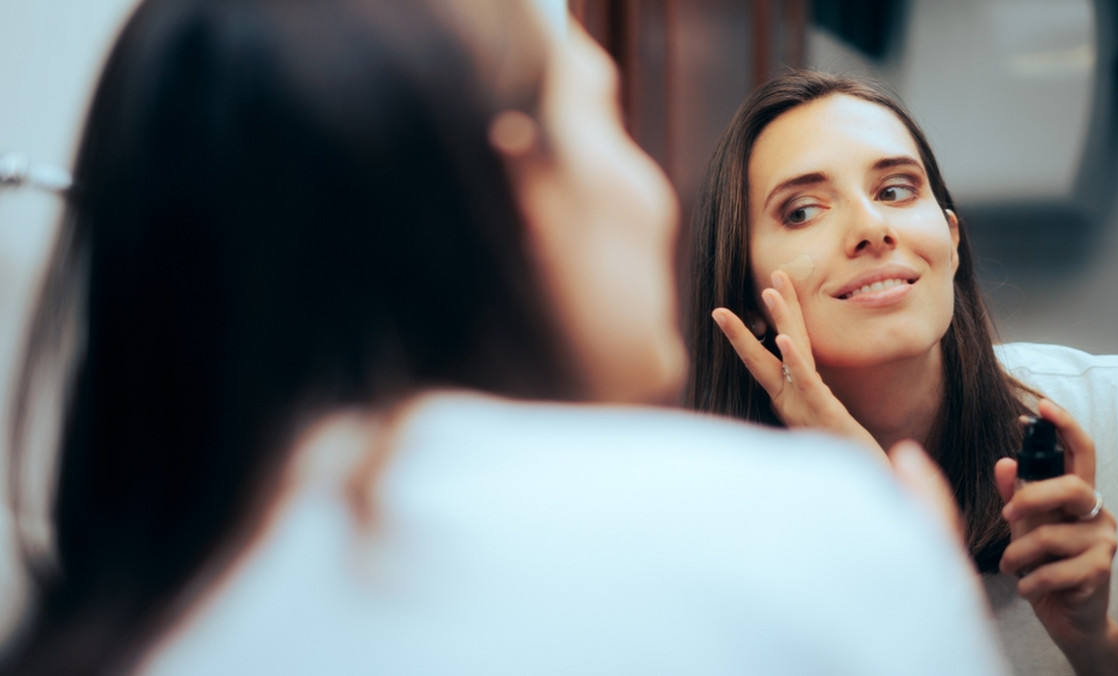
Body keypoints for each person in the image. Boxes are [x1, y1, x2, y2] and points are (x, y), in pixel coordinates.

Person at [0, 1, 1010, 674]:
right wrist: (896, 585)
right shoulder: (804, 537)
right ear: (517, 185)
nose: (653, 189)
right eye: (610, 120)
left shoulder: (114, 619)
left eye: (897, 186)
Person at [686, 70, 1118, 675]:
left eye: (897, 190)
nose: (873, 229)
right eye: (802, 211)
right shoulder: (705, 531)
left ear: (951, 242)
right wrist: (882, 522)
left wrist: (1091, 639)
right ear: (746, 295)